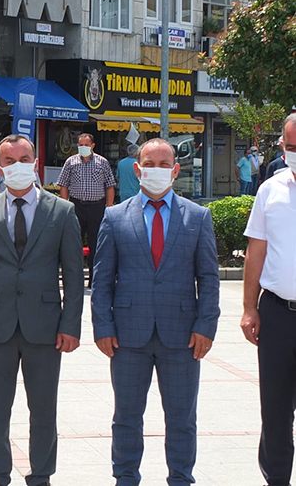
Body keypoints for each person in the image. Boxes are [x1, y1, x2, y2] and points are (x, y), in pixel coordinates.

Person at [92, 138, 220, 486]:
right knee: (126, 416)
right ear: (137, 169)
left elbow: (209, 278)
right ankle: (125, 477)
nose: (157, 171)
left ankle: (181, 478)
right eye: (150, 164)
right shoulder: (115, 217)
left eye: (165, 165)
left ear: (176, 170)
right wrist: (103, 326)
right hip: (127, 335)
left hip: (182, 336)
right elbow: (102, 279)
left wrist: (206, 325)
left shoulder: (198, 217)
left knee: (182, 417)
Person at [0, 134, 84, 486]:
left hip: (45, 326)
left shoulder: (62, 212)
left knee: (43, 409)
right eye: (9, 161)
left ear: (35, 163)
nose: (18, 166)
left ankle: (41, 475)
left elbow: (73, 274)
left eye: (24, 159)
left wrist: (70, 325)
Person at [241, 112, 296, 486]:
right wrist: (249, 307)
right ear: (281, 146)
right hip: (277, 314)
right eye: (291, 146)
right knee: (275, 410)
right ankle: (276, 479)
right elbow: (256, 251)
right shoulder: (270, 190)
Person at [56, 132, 115, 287]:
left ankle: (94, 279)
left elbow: (109, 185)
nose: (83, 147)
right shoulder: (71, 162)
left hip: (97, 207)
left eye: (86, 145)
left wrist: (109, 207)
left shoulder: (102, 162)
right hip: (77, 206)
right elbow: (63, 184)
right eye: (80, 145)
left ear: (92, 146)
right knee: (74, 243)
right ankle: (73, 279)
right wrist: (65, 205)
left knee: (96, 244)